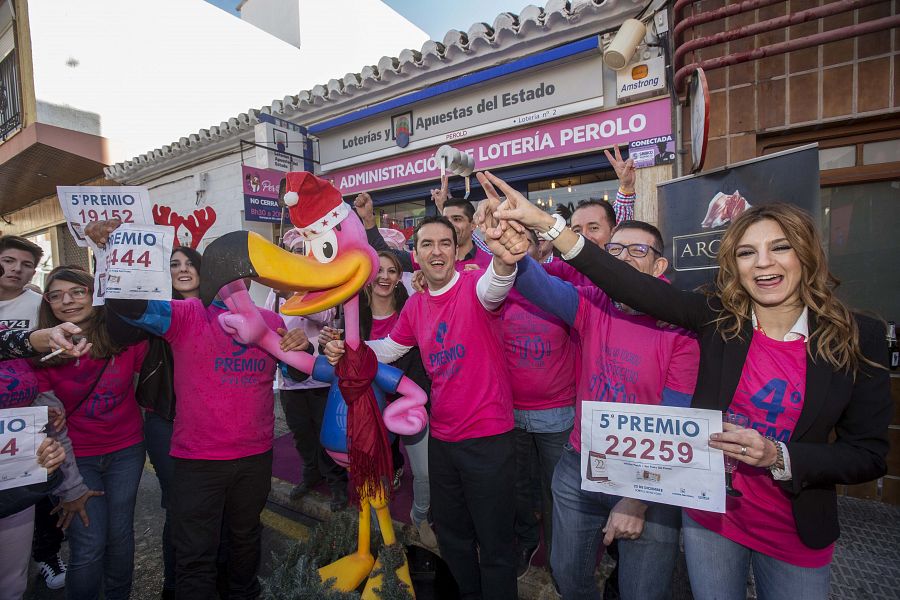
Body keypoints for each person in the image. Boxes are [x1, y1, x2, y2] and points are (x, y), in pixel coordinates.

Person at [492, 185, 893, 600]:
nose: (764, 263)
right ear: (734, 265)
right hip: (714, 519)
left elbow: (868, 454)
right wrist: (544, 224)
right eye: (746, 252)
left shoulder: (858, 337)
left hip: (794, 528)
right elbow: (625, 283)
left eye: (780, 247)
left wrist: (780, 456)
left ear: (807, 255)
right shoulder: (719, 319)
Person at [326, 213, 529, 599]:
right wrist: (347, 350)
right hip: (443, 438)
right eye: (427, 245)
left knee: (496, 544)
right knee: (453, 537)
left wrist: (503, 259)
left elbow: (496, 285)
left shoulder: (474, 284)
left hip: (489, 440)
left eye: (445, 243)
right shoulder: (416, 306)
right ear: (415, 256)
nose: (437, 252)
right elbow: (388, 349)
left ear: (456, 250)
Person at [34, 267, 149, 600]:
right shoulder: (40, 350)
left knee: (120, 535)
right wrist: (68, 486)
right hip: (74, 459)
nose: (67, 301)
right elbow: (50, 427)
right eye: (56, 295)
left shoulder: (123, 339)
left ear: (94, 293)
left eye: (77, 291)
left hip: (126, 451)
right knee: (88, 544)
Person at [322, 250, 436, 547]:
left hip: (408, 403)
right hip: (369, 407)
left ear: (400, 278)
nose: (384, 277)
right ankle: (376, 534)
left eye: (392, 271)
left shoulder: (412, 308)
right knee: (373, 476)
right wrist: (330, 348)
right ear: (369, 278)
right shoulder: (350, 314)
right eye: (379, 271)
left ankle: (421, 516)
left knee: (425, 472)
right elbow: (337, 361)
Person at [493, 228, 578, 580]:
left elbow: (601, 262)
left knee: (557, 492)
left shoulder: (560, 282)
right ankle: (527, 542)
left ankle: (561, 562)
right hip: (510, 413)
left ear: (539, 244)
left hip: (556, 414)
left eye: (522, 239)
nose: (515, 245)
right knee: (518, 488)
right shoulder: (497, 286)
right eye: (508, 238)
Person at [0, 235, 70, 591]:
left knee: (36, 491)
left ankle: (45, 553)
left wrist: (50, 406)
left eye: (26, 264)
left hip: (25, 416)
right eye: (9, 260)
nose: (16, 269)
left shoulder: (37, 304)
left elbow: (48, 358)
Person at [265, 229, 348, 512]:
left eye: (301, 252)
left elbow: (326, 316)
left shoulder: (321, 287)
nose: (297, 257)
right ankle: (311, 473)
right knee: (301, 434)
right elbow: (268, 324)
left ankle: (337, 481)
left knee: (327, 434)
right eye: (292, 253)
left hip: (320, 378)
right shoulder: (274, 293)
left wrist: (294, 291)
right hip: (289, 381)